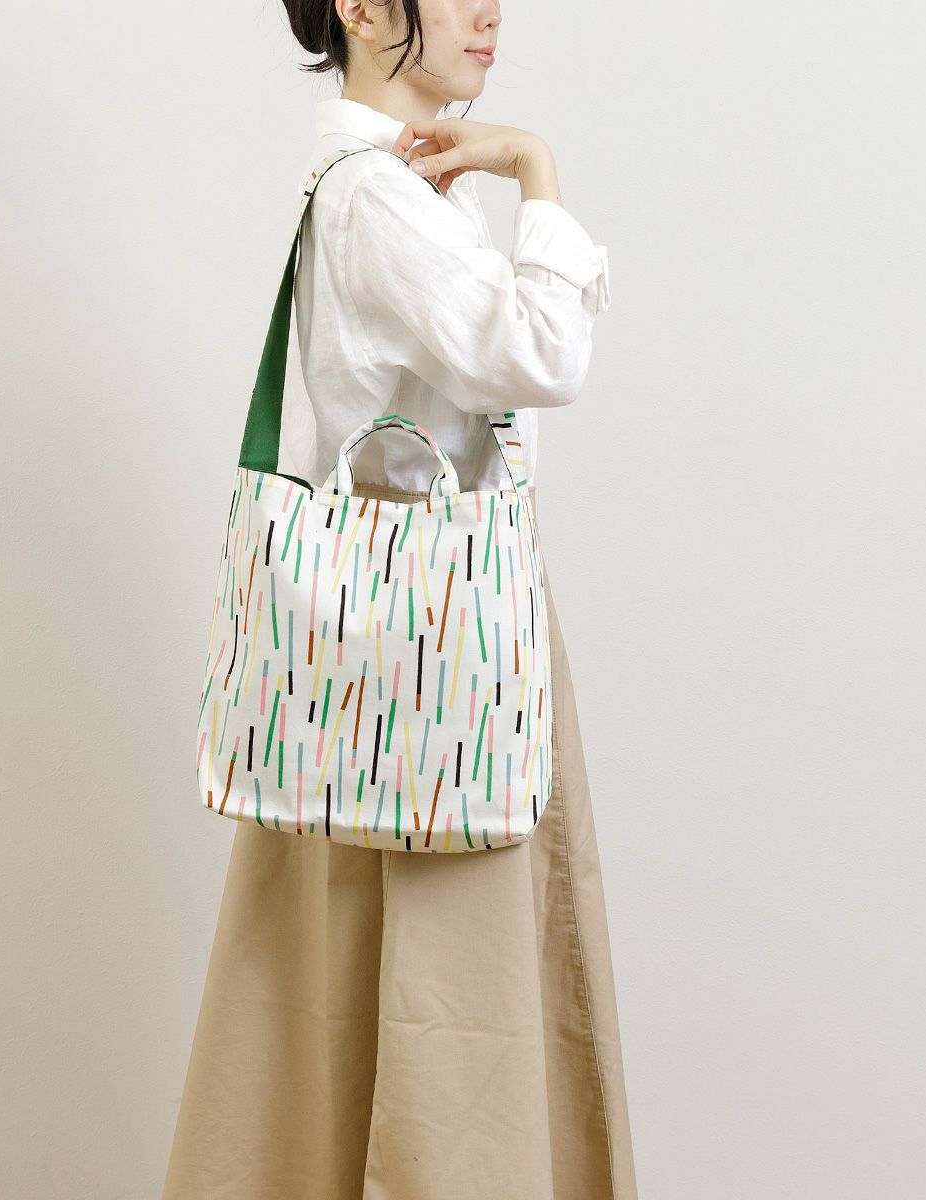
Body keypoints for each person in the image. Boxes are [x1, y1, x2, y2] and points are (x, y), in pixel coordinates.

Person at [161, 3, 638, 1197]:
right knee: (454, 1006)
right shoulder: (376, 198)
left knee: (334, 1005)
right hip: (437, 665)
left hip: (380, 669)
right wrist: (538, 171)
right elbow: (541, 354)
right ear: (364, 9)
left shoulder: (398, 188)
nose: (490, 10)